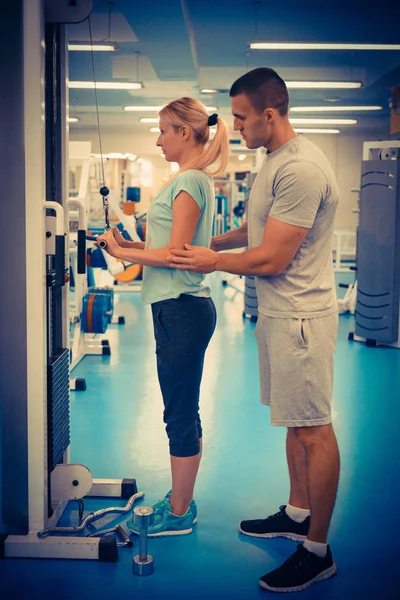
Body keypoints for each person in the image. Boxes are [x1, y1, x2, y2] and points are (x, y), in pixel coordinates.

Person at [167, 68, 340, 593]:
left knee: (315, 429)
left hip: (302, 317)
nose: (234, 126)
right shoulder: (272, 162)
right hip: (279, 314)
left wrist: (212, 264)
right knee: (294, 423)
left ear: (270, 114)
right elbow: (257, 230)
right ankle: (297, 512)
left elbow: (273, 255)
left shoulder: (303, 168)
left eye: (241, 118)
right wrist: (213, 243)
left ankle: (318, 549)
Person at [97, 98, 229, 536]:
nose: (158, 139)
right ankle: (181, 501)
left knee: (179, 413)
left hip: (181, 308)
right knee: (184, 409)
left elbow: (176, 255)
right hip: (177, 307)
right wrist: (129, 244)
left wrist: (125, 251)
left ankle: (178, 514)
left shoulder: (190, 181)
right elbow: (169, 243)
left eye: (163, 130)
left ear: (185, 132)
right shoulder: (187, 181)